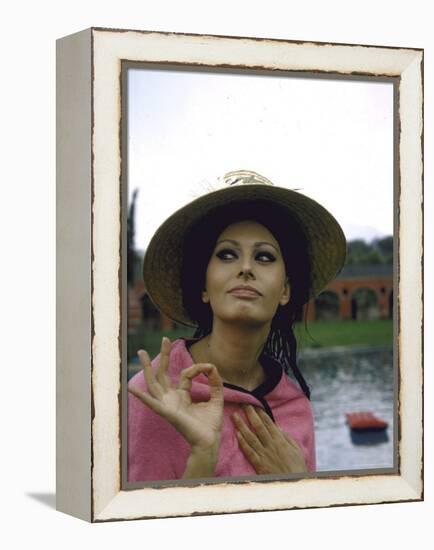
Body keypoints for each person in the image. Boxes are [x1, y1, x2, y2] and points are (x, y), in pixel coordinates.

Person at [128, 170, 346, 481]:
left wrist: (298, 482)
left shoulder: (296, 407)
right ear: (204, 285)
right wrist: (202, 457)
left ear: (285, 291)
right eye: (227, 254)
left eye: (265, 257)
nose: (245, 268)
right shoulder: (153, 395)